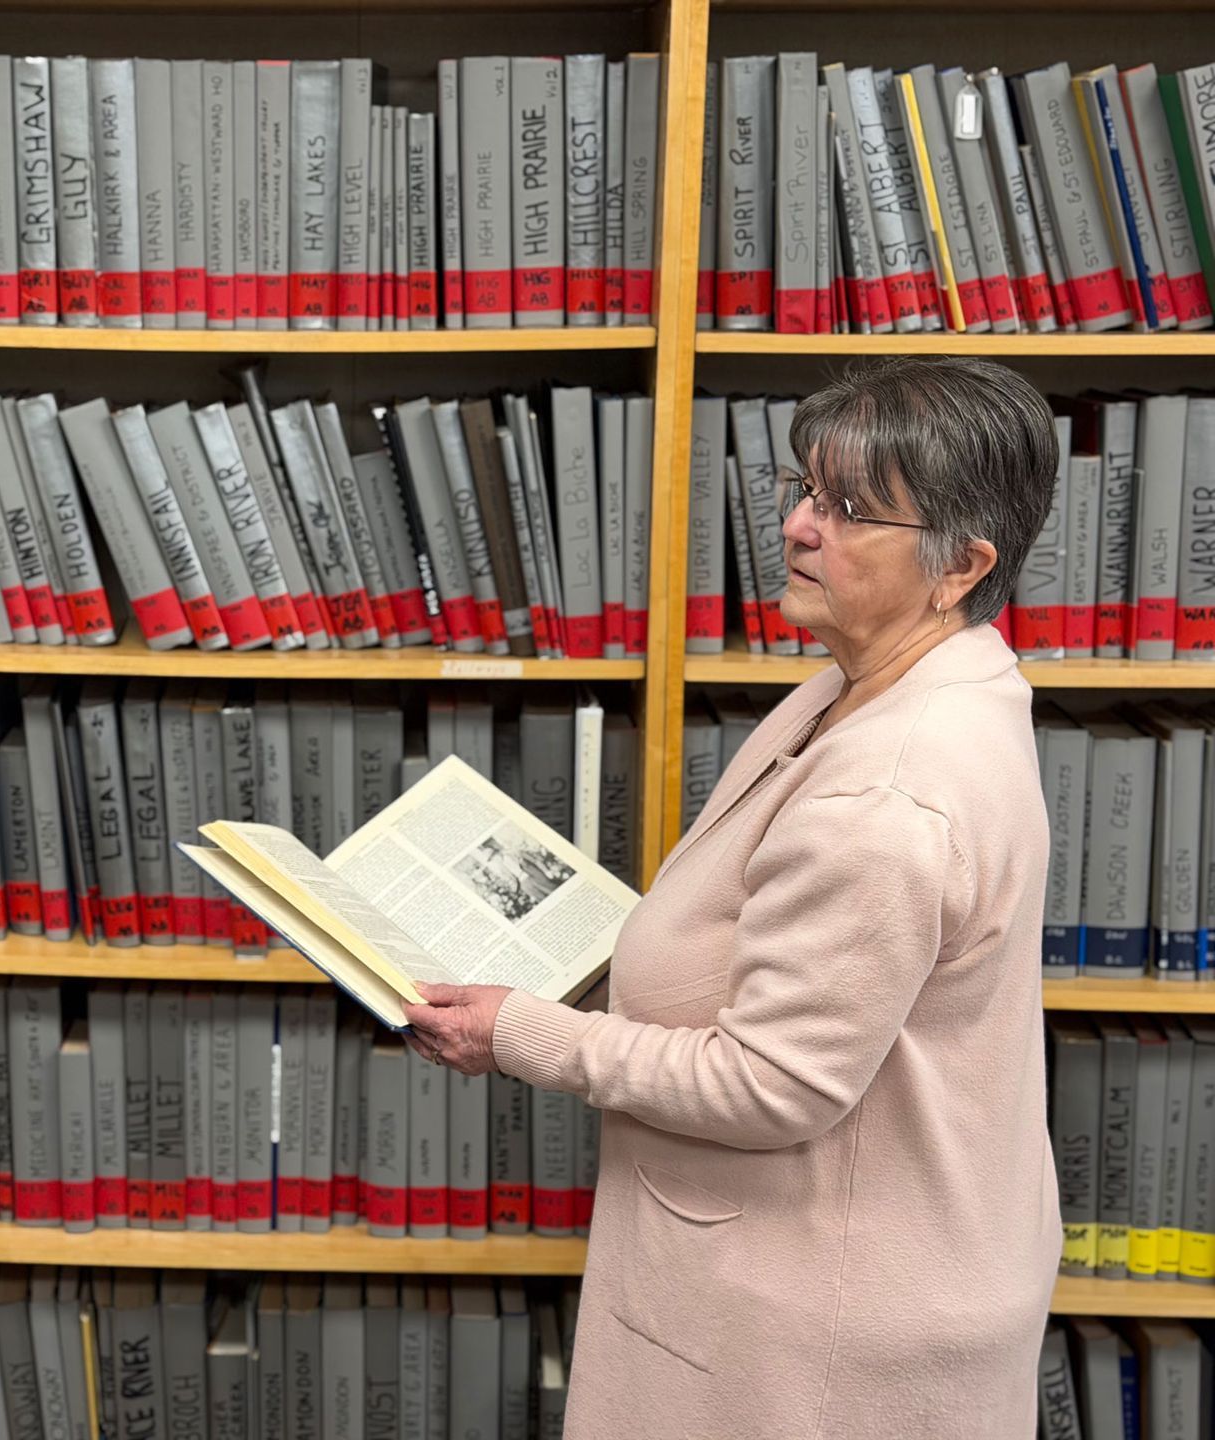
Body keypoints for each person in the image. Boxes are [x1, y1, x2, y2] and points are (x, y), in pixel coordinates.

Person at [406, 356, 1063, 1438]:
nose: (802, 526)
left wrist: (522, 1033)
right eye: (805, 490)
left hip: (820, 1333)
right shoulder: (881, 683)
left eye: (850, 510)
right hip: (824, 1266)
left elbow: (773, 1086)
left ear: (962, 567)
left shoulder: (892, 792)